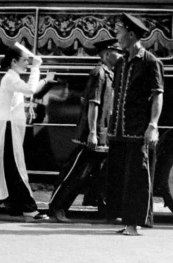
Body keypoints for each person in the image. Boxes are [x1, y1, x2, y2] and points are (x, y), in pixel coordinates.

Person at [0, 44, 52, 222]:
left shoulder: (12, 78)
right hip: (7, 126)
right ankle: (29, 211)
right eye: (25, 60)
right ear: (14, 61)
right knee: (15, 167)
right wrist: (36, 68)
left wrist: (42, 79)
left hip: (8, 126)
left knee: (3, 168)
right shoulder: (10, 78)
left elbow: (27, 91)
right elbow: (30, 90)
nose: (27, 63)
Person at [49, 38, 121, 223]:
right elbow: (93, 104)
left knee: (99, 173)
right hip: (93, 133)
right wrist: (92, 132)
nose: (120, 55)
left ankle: (103, 209)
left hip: (102, 133)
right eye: (117, 52)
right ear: (106, 54)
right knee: (76, 172)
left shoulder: (110, 74)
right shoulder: (99, 73)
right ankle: (58, 207)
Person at [105, 13, 164, 236]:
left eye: (119, 33)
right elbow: (116, 93)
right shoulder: (121, 63)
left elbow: (158, 95)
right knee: (121, 177)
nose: (116, 37)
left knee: (137, 178)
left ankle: (134, 224)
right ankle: (126, 220)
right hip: (120, 129)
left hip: (138, 129)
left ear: (131, 34)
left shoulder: (150, 62)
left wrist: (153, 125)